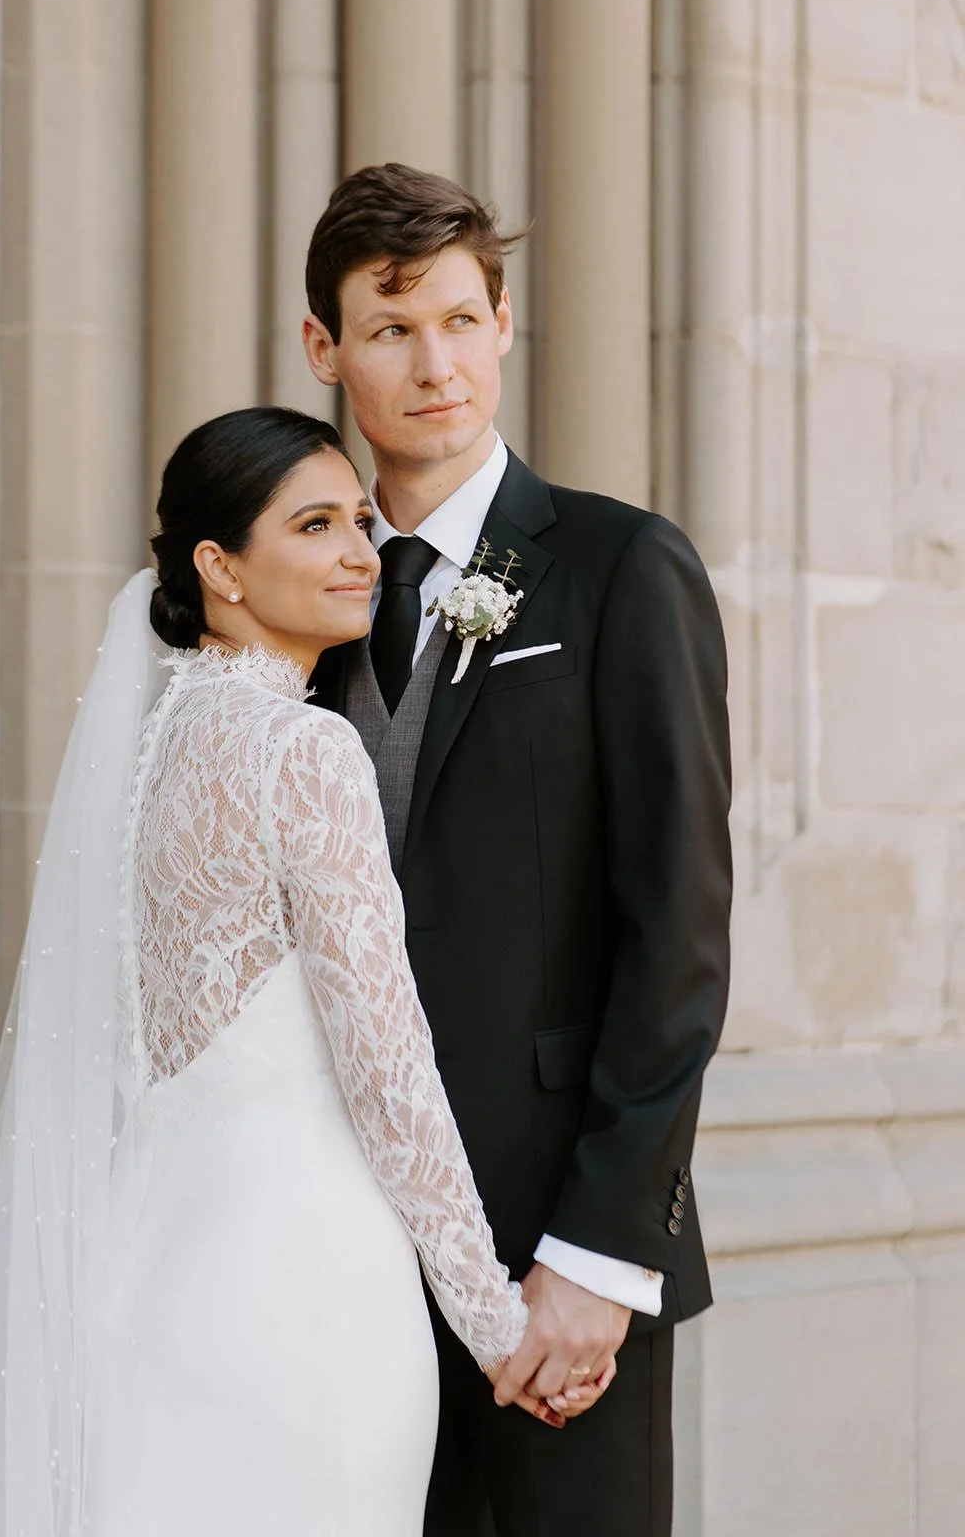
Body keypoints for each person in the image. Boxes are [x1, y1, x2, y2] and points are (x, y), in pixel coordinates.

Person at [0, 406, 608, 1537]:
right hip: (305, 1298)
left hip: (149, 1284)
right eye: (315, 525)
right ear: (220, 567)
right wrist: (496, 1325)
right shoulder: (306, 752)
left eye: (358, 518)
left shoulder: (146, 760)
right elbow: (390, 1074)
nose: (361, 551)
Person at [303, 164, 733, 1537]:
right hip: (331, 1266)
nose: (434, 364)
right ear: (326, 349)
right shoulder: (295, 606)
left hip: (555, 1260)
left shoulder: (620, 569)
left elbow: (677, 932)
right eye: (388, 328)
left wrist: (603, 1255)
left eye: (458, 320)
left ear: (502, 323)